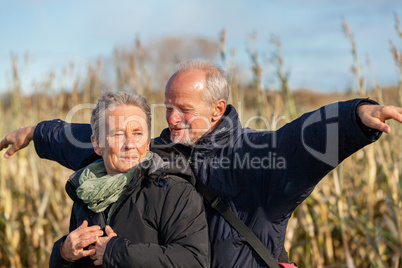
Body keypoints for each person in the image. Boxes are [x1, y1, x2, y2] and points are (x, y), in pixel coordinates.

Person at [1, 58, 402, 267]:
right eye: (168, 106)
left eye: (183, 109)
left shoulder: (256, 157)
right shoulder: (159, 151)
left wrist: (355, 116)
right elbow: (96, 144)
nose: (171, 118)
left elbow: (300, 138)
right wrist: (37, 132)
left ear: (217, 110)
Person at [48, 91, 210, 267]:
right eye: (118, 134)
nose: (130, 144)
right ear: (97, 144)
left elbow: (194, 261)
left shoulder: (174, 192)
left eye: (137, 133)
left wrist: (116, 253)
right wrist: (64, 254)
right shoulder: (85, 191)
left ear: (148, 143)